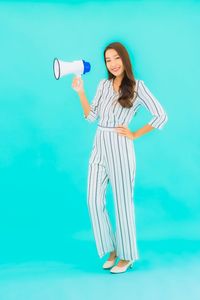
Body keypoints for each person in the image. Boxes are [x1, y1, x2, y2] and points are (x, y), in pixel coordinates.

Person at [72, 42, 168, 274]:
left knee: (123, 203)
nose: (113, 64)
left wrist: (135, 134)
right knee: (93, 201)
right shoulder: (103, 85)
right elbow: (90, 117)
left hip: (120, 146)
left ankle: (127, 256)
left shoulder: (137, 87)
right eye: (108, 60)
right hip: (99, 143)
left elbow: (161, 116)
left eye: (116, 58)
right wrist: (80, 92)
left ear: (125, 59)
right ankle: (112, 248)